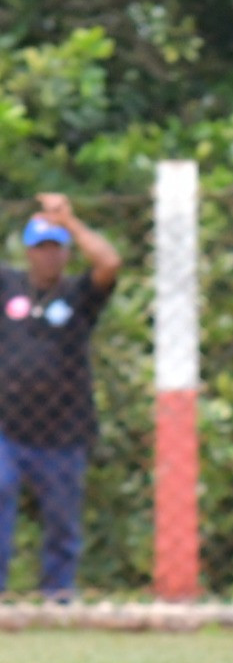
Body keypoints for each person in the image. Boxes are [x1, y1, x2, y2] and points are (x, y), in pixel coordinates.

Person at [0, 194, 122, 597]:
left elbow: (109, 263)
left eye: (56, 248)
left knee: (62, 521)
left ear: (66, 253)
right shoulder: (8, 286)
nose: (48, 257)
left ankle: (57, 596)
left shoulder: (78, 295)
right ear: (29, 252)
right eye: (41, 248)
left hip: (64, 432)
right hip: (8, 429)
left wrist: (69, 221)